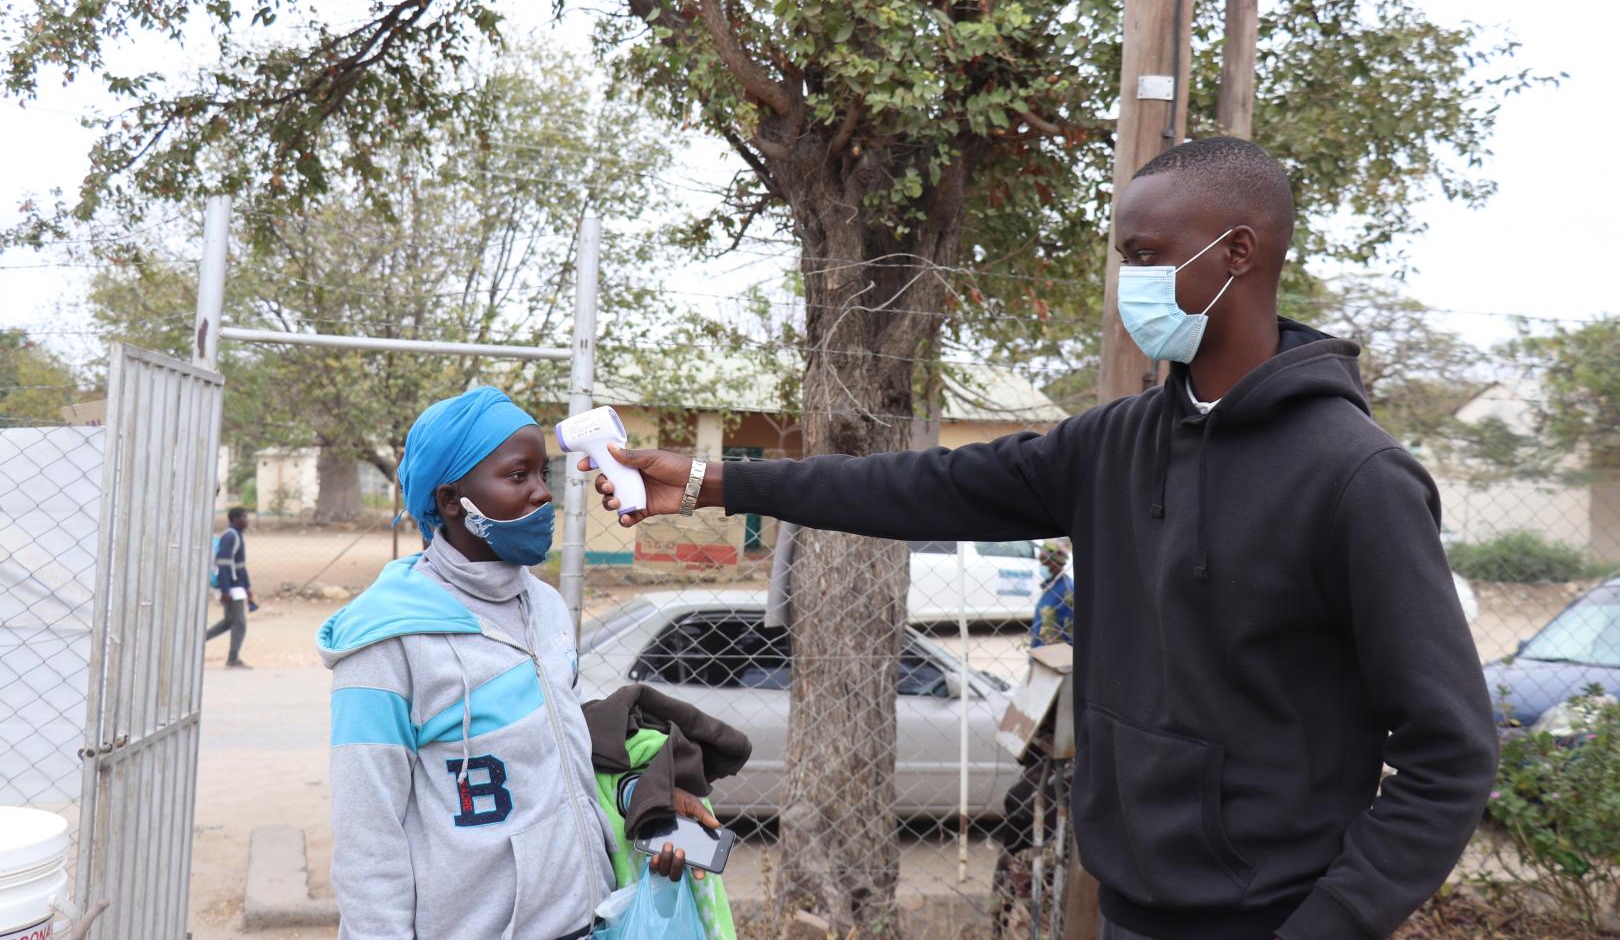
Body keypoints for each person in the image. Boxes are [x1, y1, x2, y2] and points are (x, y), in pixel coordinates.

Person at [585, 138, 1499, 940]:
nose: (1128, 284)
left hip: (1274, 915)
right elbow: (920, 486)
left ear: (1240, 253)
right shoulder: (1115, 442)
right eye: (1122, 258)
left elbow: (1450, 751)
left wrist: (1329, 927)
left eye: (1146, 257)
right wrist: (714, 481)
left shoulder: (1356, 479)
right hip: (1130, 906)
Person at [317, 386, 713, 939]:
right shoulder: (386, 643)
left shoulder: (545, 607)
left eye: (543, 475)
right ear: (452, 500)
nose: (542, 495)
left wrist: (638, 797)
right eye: (517, 476)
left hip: (586, 922)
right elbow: (367, 838)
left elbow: (561, 754)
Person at [205, 506, 254, 668]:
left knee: (229, 621)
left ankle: (196, 642)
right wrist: (225, 589)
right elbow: (224, 564)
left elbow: (240, 566)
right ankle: (233, 659)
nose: (247, 521)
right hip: (231, 587)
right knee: (239, 623)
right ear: (235, 519)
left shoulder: (237, 536)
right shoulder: (231, 536)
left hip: (236, 586)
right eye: (244, 517)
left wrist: (247, 586)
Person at [1032, 541, 1074, 648]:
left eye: (1045, 562)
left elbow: (1069, 630)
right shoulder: (1051, 585)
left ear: (1055, 563)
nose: (1042, 565)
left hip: (1054, 652)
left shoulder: (1068, 590)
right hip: (1040, 649)